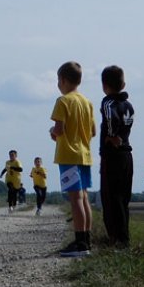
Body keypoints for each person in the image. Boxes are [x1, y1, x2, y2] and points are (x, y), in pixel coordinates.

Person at [49, 61, 96, 258]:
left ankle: (79, 244)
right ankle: (86, 239)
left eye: (58, 80)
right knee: (84, 197)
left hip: (68, 154)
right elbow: (93, 131)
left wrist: (53, 131)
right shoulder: (87, 102)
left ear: (63, 80)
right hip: (84, 154)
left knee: (74, 198)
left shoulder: (63, 101)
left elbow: (58, 129)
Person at [98, 66, 135, 249]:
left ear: (104, 86)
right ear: (123, 84)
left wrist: (111, 135)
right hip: (127, 155)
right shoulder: (128, 104)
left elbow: (110, 116)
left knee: (110, 198)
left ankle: (114, 238)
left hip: (112, 155)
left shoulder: (108, 102)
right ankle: (124, 238)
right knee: (123, 198)